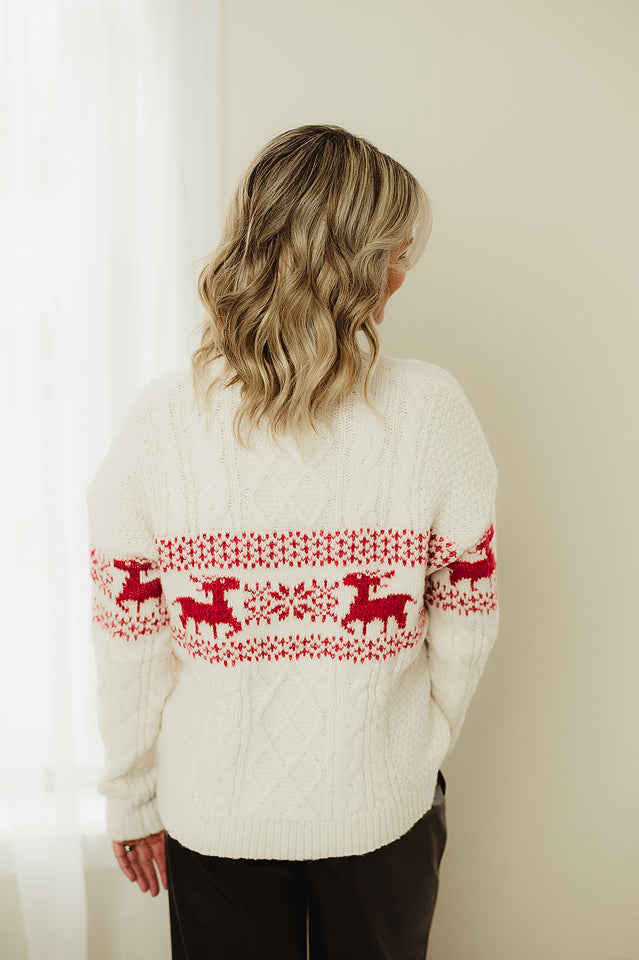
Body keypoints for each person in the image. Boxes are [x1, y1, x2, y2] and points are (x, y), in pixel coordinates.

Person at [87, 123, 499, 960]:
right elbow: (467, 617)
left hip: (217, 814)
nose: (402, 274)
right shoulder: (432, 412)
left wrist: (131, 795)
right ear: (346, 261)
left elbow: (129, 636)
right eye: (392, 252)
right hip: (380, 808)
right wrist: (413, 741)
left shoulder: (161, 422)